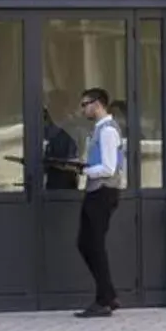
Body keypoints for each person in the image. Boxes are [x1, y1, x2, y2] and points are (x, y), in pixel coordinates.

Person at [73, 86, 125, 317]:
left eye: (85, 104)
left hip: (103, 191)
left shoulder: (107, 131)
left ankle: (104, 299)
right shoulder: (97, 130)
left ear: (97, 104)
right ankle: (108, 294)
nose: (83, 109)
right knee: (86, 244)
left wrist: (84, 170)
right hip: (95, 191)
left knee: (93, 244)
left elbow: (109, 168)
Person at [39, 108, 79, 191]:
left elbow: (73, 164)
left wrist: (51, 162)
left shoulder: (68, 135)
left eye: (45, 118)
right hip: (49, 186)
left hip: (64, 186)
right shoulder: (42, 138)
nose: (42, 125)